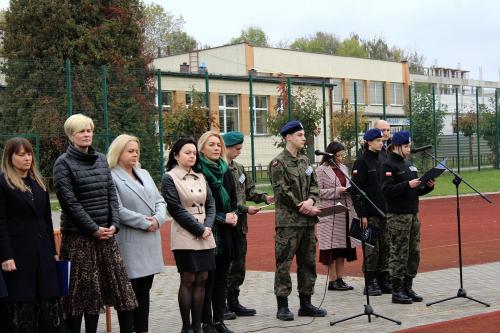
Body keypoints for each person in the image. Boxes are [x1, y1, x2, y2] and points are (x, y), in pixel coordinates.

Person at [53, 114, 136, 333]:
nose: (87, 134)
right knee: (80, 297)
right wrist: (93, 229)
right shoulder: (63, 163)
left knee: (122, 292)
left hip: (106, 235)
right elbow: (69, 202)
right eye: (81, 131)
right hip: (79, 239)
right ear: (71, 135)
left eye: (89, 130)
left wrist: (114, 225)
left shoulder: (100, 159)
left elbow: (111, 194)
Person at [0, 137, 64, 333]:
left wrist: (53, 251)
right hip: (18, 254)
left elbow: (46, 220)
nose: (27, 158)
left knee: (47, 302)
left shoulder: (39, 183)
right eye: (21, 155)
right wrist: (6, 256)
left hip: (43, 252)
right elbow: (0, 223)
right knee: (23, 304)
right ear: (10, 158)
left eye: (29, 154)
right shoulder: (3, 183)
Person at [108, 134, 167, 333]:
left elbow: (160, 200)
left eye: (136, 151)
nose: (135, 155)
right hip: (130, 242)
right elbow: (117, 209)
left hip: (150, 241)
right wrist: (144, 222)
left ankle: (142, 329)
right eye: (130, 151)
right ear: (118, 152)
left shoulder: (144, 173)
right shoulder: (112, 176)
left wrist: (158, 219)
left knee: (144, 291)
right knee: (128, 293)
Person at [268, 120, 327, 321]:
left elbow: (314, 185)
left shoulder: (305, 161)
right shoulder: (278, 162)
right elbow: (281, 191)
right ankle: (282, 305)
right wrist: (303, 206)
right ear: (288, 137)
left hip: (308, 223)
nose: (304, 138)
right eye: (300, 135)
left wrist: (311, 200)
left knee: (308, 263)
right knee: (284, 263)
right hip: (288, 223)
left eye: (303, 135)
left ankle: (306, 303)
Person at [162, 138, 216, 333]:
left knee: (202, 278)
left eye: (194, 153)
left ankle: (197, 326)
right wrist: (199, 229)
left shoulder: (201, 176)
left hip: (206, 233)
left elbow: (211, 203)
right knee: (188, 279)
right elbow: (175, 209)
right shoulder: (169, 177)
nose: (192, 156)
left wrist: (208, 225)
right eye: (187, 152)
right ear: (176, 155)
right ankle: (186, 327)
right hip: (185, 233)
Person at [222, 131, 273, 317]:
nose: (239, 151)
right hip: (224, 226)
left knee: (239, 266)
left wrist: (265, 198)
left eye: (241, 148)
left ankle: (233, 301)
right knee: (224, 267)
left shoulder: (239, 169)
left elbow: (249, 191)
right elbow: (224, 201)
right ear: (225, 147)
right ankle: (222, 305)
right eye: (236, 148)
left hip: (240, 227)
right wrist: (245, 209)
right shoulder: (219, 169)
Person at [381, 130, 435, 304]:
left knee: (414, 252)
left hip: (413, 213)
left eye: (409, 145)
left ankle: (408, 286)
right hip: (398, 216)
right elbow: (387, 191)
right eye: (406, 146)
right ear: (396, 146)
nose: (409, 149)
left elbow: (415, 190)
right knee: (398, 252)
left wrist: (428, 187)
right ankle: (397, 290)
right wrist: (407, 184)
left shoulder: (409, 164)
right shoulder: (388, 165)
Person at [196, 131, 238, 333]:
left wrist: (235, 214)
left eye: (218, 145)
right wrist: (222, 217)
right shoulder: (198, 171)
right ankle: (206, 323)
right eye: (211, 144)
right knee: (207, 279)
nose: (216, 148)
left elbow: (234, 199)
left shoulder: (225, 170)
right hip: (208, 231)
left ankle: (219, 320)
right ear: (202, 148)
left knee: (222, 280)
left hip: (227, 233)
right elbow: (199, 205)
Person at [351, 128, 391, 296]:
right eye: (378, 141)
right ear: (369, 142)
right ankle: (370, 281)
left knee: (386, 246)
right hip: (369, 213)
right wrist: (362, 214)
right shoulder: (362, 162)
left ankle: (383, 278)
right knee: (371, 248)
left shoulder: (384, 158)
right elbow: (356, 190)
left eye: (382, 140)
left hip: (385, 211)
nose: (381, 143)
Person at [315, 141, 357, 291]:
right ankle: (332, 281)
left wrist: (349, 189)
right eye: (338, 155)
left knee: (342, 247)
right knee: (330, 248)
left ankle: (340, 278)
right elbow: (318, 192)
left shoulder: (344, 168)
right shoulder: (321, 170)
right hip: (329, 213)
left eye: (342, 155)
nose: (341, 158)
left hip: (344, 212)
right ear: (331, 155)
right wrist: (337, 191)